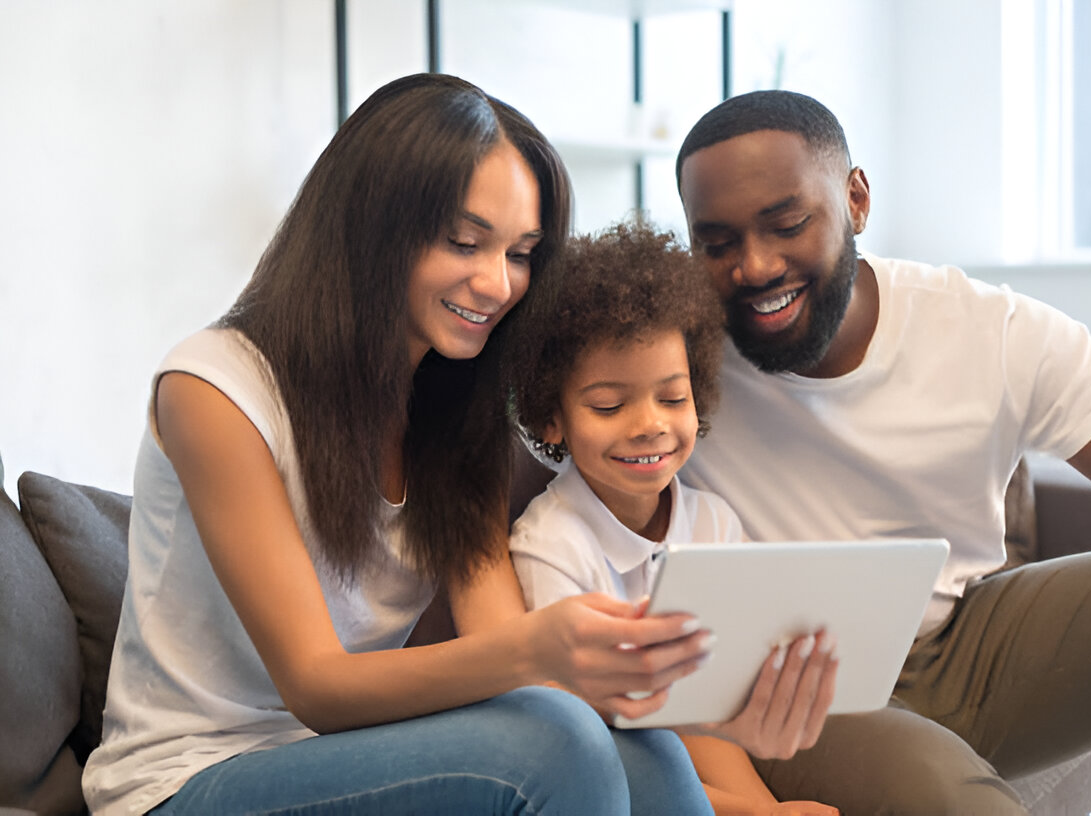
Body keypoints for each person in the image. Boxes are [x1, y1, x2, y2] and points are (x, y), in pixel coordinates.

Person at [83, 73, 726, 816]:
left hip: (350, 757)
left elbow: (503, 651)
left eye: (520, 253)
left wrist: (667, 689)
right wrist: (541, 646)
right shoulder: (216, 388)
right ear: (373, 224)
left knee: (638, 749)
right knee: (556, 742)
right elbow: (317, 686)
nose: (497, 283)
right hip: (187, 780)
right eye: (464, 241)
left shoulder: (459, 417)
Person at [672, 89, 1091, 815]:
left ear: (856, 199)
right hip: (799, 690)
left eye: (787, 224)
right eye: (717, 243)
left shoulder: (991, 331)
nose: (754, 265)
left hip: (964, 644)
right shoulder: (669, 353)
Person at [505, 220, 840, 816]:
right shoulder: (550, 543)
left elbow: (725, 693)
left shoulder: (712, 521)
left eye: (673, 397)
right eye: (609, 405)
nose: (649, 424)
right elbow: (590, 742)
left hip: (713, 746)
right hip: (608, 767)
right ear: (551, 419)